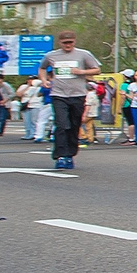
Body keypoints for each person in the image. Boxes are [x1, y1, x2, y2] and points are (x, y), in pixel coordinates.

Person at [37, 32, 100, 171]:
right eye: (65, 43)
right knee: (61, 125)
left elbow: (97, 70)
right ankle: (60, 156)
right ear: (60, 43)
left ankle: (70, 155)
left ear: (74, 41)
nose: (68, 45)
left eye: (70, 42)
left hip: (78, 95)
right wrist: (44, 80)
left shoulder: (83, 54)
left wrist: (81, 72)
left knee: (74, 125)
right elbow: (42, 67)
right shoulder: (51, 55)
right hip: (58, 95)